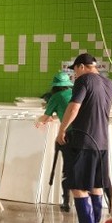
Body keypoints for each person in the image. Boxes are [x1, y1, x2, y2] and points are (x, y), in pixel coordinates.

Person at [56, 53, 112, 223]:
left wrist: (62, 130)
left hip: (84, 140)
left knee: (78, 185)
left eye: (75, 70)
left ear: (81, 66)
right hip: (102, 142)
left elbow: (74, 107)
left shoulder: (84, 80)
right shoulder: (110, 84)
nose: (75, 74)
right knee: (96, 184)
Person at [36, 71, 73, 212]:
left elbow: (45, 117)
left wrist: (38, 121)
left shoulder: (55, 97)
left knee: (67, 169)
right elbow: (68, 112)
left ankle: (66, 201)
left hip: (68, 135)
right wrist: (56, 117)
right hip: (83, 135)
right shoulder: (75, 93)